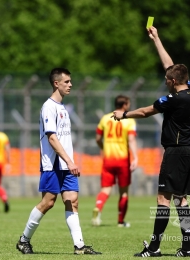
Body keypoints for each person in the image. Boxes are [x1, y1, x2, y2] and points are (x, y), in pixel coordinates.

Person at [16, 68, 101, 255]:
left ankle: (79, 246)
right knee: (48, 202)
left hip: (66, 164)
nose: (70, 85)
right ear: (56, 83)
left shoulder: (62, 107)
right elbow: (52, 138)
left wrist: (70, 161)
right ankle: (24, 240)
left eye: (70, 81)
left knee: (72, 201)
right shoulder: (49, 107)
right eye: (67, 82)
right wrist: (70, 161)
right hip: (54, 163)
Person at [112, 62, 190, 256]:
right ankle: (187, 247)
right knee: (181, 199)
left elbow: (146, 111)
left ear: (173, 81)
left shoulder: (174, 99)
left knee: (163, 198)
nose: (165, 83)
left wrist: (124, 115)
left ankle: (154, 247)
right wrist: (156, 39)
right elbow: (171, 65)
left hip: (176, 152)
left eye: (166, 80)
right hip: (188, 152)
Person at [92, 95, 138, 227]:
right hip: (123, 160)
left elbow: (97, 138)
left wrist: (103, 148)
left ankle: (98, 209)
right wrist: (135, 156)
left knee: (105, 189)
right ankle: (120, 221)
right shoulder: (129, 120)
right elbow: (131, 139)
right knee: (123, 192)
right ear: (124, 105)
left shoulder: (105, 118)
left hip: (108, 159)